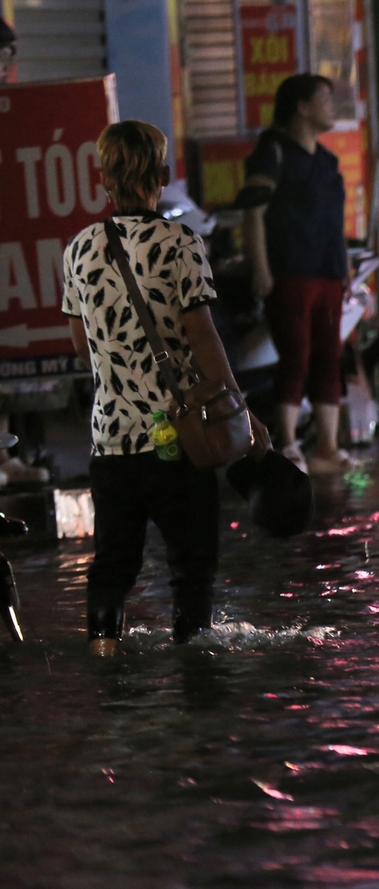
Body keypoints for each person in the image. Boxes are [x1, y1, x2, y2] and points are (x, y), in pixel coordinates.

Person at [61, 121, 270, 653]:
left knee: (113, 565)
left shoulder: (79, 250)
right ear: (163, 175)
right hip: (178, 437)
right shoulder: (180, 242)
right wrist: (242, 410)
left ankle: (104, 664)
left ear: (103, 179)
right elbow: (203, 338)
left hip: (110, 443)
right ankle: (197, 682)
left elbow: (82, 347)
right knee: (191, 569)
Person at [243, 73, 352, 475]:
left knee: (330, 356)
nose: (332, 106)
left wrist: (345, 265)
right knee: (296, 357)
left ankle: (328, 445)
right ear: (301, 107)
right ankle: (288, 445)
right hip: (290, 272)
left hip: (328, 273)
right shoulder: (272, 152)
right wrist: (261, 267)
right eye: (324, 98)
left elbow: (335, 222)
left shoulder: (327, 161)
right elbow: (253, 213)